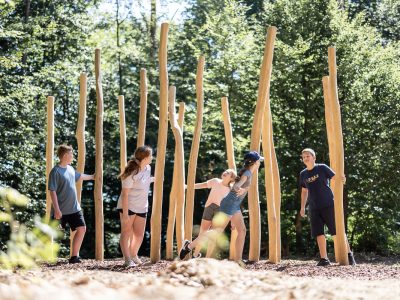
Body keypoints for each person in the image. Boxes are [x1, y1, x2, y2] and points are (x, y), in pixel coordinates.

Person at [179, 151, 263, 264]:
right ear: (254, 163)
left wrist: (243, 189)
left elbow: (238, 185)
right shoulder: (247, 173)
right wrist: (241, 189)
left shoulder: (248, 172)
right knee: (216, 231)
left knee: (242, 230)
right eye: (259, 161)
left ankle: (238, 260)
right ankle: (188, 246)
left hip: (234, 205)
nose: (260, 163)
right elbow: (237, 186)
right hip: (229, 204)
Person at [299, 148, 356, 266]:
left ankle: (349, 255)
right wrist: (303, 207)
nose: (305, 158)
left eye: (308, 156)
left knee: (338, 231)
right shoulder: (303, 174)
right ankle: (324, 259)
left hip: (328, 204)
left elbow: (336, 177)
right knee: (319, 233)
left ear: (314, 158)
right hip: (314, 207)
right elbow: (304, 191)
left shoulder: (322, 168)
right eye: (304, 157)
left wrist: (343, 179)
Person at [48, 144, 94, 264]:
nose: (72, 157)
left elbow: (80, 176)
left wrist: (93, 177)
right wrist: (57, 210)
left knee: (82, 228)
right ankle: (35, 254)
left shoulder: (70, 169)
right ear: (64, 155)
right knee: (52, 233)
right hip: (60, 211)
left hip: (74, 209)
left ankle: (74, 257)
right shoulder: (55, 171)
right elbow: (52, 191)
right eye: (71, 154)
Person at [117, 146, 154, 267]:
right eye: (150, 156)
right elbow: (125, 194)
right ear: (144, 158)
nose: (152, 158)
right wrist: (126, 214)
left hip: (142, 206)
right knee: (126, 232)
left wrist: (155, 179)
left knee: (139, 234)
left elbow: (144, 181)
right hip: (128, 206)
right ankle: (127, 259)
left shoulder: (148, 168)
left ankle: (133, 254)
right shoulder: (131, 172)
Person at [192, 169, 237, 258]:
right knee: (202, 232)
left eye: (228, 173)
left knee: (213, 236)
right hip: (209, 208)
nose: (225, 172)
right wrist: (188, 186)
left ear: (231, 178)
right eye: (225, 171)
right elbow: (203, 185)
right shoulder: (215, 181)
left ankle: (207, 258)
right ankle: (195, 255)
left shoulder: (231, 190)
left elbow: (231, 206)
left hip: (220, 212)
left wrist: (233, 221)